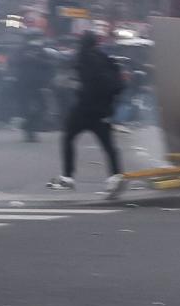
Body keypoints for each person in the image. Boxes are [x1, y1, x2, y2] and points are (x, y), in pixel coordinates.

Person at [47, 31, 127, 196]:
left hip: (84, 108)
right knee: (109, 146)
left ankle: (68, 176)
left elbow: (72, 74)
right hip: (103, 110)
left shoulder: (83, 57)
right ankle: (116, 176)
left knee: (68, 137)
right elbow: (118, 83)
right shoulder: (105, 58)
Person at [11, 37, 52, 142]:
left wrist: (36, 59)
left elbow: (49, 64)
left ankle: (30, 127)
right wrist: (26, 58)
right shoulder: (20, 50)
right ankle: (29, 132)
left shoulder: (41, 51)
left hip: (38, 85)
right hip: (23, 84)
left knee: (42, 107)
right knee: (26, 109)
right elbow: (14, 62)